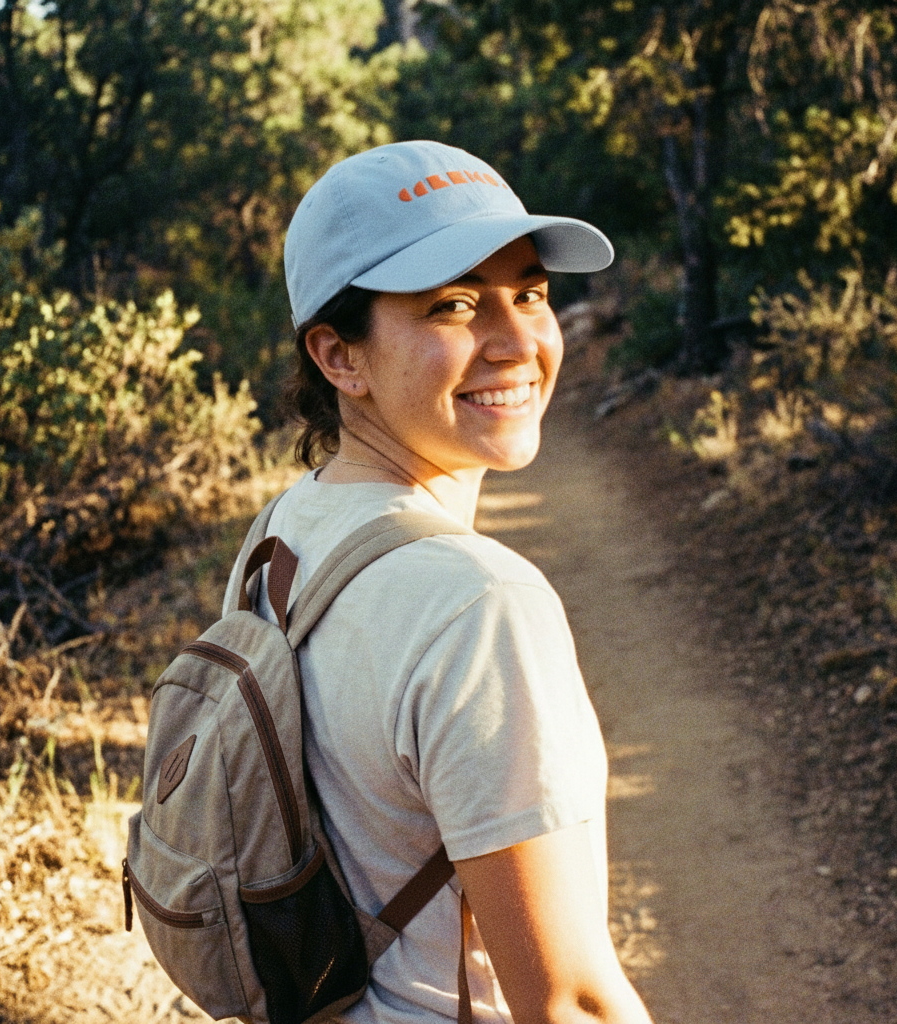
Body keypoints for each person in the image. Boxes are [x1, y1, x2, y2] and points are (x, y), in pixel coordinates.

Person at [225, 140, 654, 1024]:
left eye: (529, 293)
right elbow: (569, 1001)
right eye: (453, 305)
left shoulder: (283, 530)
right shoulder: (479, 605)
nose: (515, 342)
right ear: (340, 359)